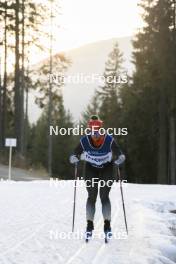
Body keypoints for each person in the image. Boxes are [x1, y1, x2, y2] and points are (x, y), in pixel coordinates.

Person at [69, 115, 125, 240]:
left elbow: (119, 152)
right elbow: (75, 153)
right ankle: (89, 225)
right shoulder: (85, 140)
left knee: (104, 196)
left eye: (97, 131)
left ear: (101, 129)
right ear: (89, 130)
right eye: (92, 131)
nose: (95, 134)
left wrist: (121, 158)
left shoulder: (109, 140)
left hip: (107, 168)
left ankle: (107, 225)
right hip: (91, 169)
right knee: (92, 196)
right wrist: (73, 158)